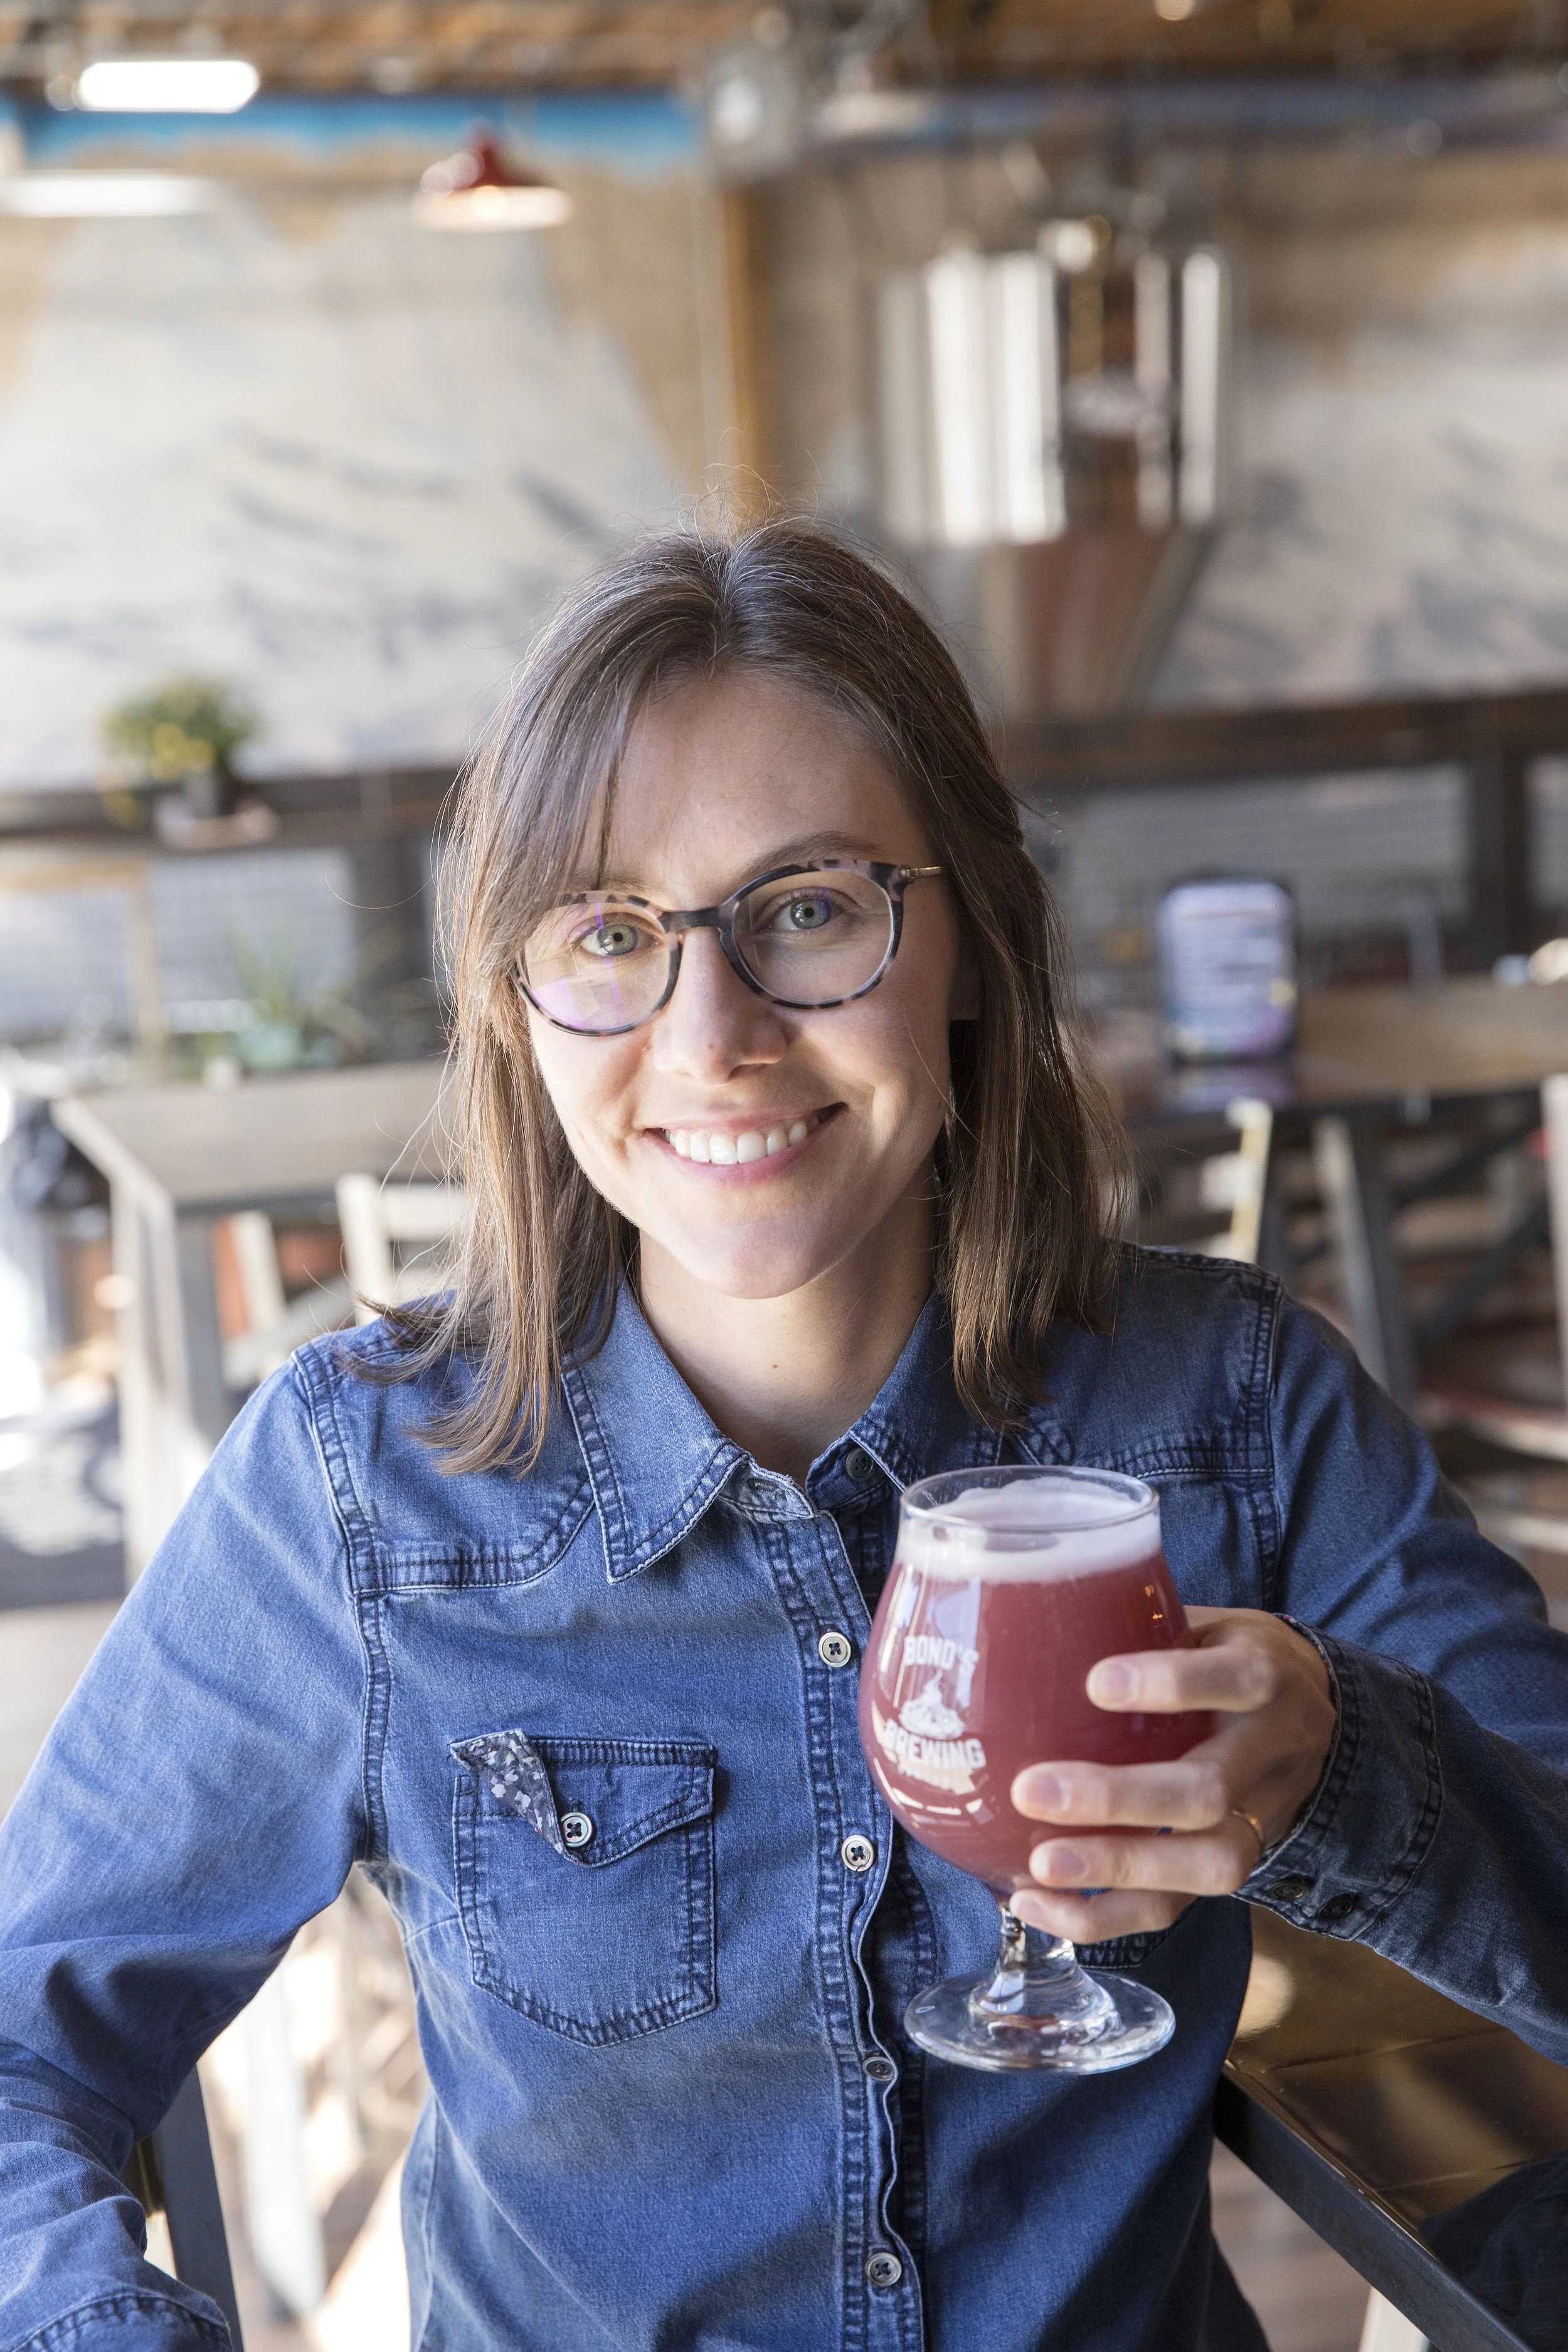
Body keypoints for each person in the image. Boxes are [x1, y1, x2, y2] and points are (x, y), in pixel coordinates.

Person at [1, 522, 1565, 2352]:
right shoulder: (362, 1486)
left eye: (808, 906)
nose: (712, 1031)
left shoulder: (1228, 1405)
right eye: (607, 932)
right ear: (519, 1004)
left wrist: (1345, 1776)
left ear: (969, 941)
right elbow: (30, 2035)